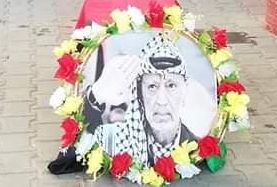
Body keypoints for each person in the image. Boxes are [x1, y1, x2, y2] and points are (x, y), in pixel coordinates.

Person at [83, 33, 195, 167]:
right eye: (152, 86)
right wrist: (96, 94)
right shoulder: (113, 140)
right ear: (140, 94)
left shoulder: (199, 150)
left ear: (185, 91)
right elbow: (80, 146)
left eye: (171, 86)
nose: (161, 101)